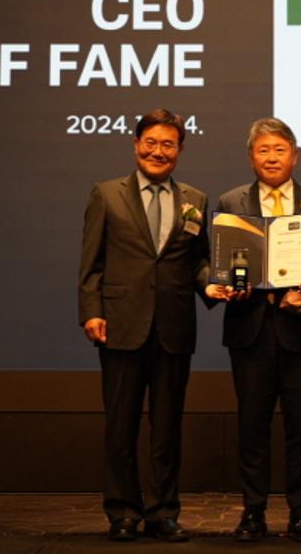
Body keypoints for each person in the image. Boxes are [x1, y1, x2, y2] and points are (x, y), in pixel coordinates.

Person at [78, 108, 214, 543]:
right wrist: (91, 310)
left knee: (167, 427)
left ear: (180, 150)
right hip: (120, 323)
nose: (158, 151)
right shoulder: (106, 194)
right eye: (151, 142)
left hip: (174, 326)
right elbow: (91, 262)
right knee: (120, 425)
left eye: (168, 144)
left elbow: (198, 261)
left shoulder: (195, 199)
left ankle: (162, 512)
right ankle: (122, 511)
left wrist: (211, 286)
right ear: (136, 144)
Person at [211, 117, 301, 543]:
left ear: (295, 155)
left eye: (279, 149)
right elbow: (219, 259)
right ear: (251, 157)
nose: (272, 157)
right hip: (250, 330)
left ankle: (300, 514)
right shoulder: (230, 202)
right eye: (263, 150)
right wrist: (229, 283)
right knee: (252, 426)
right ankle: (253, 513)